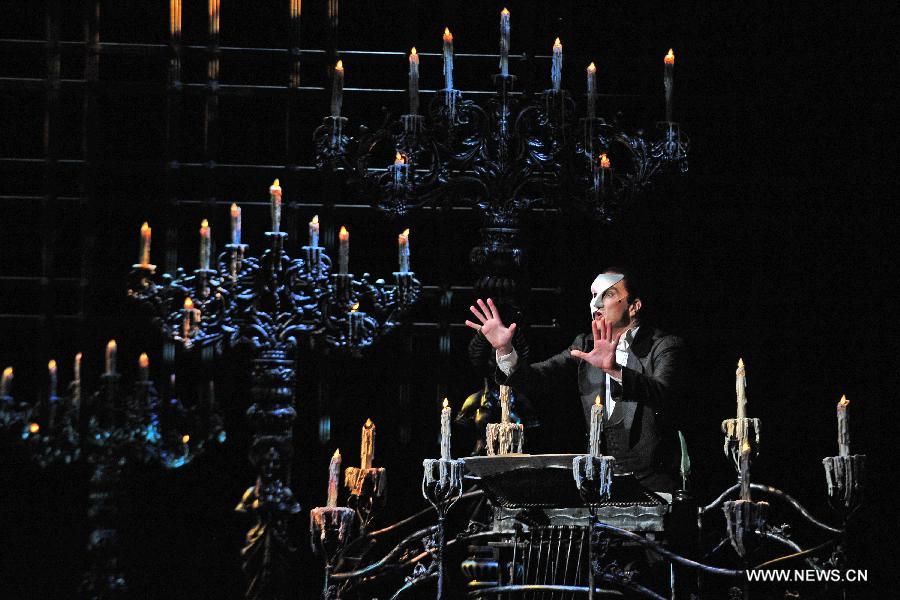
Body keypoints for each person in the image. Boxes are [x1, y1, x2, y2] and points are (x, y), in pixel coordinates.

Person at [464, 268, 687, 492]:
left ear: (634, 306)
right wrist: (505, 349)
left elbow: (663, 393)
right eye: (593, 295)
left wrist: (615, 370)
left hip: (654, 484)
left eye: (608, 294)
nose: (596, 304)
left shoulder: (663, 346)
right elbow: (538, 378)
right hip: (600, 483)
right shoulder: (585, 346)